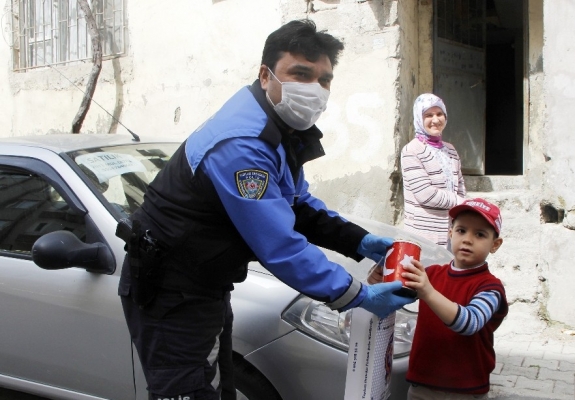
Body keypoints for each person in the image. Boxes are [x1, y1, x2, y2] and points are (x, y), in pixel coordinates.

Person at [117, 19, 415, 400]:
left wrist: (359, 241)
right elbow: (279, 244)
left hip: (204, 285)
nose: (315, 89)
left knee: (218, 387)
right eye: (301, 74)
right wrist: (357, 295)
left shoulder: (274, 125)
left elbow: (297, 204)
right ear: (265, 75)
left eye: (324, 80)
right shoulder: (243, 143)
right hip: (172, 293)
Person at [401, 198, 509, 399]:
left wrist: (428, 292)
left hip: (465, 390)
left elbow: (470, 323)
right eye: (461, 230)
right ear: (450, 233)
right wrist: (380, 278)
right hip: (421, 385)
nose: (467, 239)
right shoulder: (431, 274)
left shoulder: (491, 287)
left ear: (495, 245)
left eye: (480, 234)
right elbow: (393, 299)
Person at [401, 93, 466, 247]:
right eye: (428, 115)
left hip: (450, 233)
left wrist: (461, 211)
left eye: (439, 114)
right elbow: (426, 194)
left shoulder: (450, 150)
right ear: (419, 118)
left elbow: (460, 186)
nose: (436, 120)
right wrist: (460, 202)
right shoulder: (412, 150)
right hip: (423, 236)